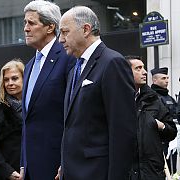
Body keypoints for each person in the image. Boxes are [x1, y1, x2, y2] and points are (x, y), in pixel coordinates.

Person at [57, 6, 137, 180]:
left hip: (97, 172)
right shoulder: (74, 69)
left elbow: (122, 130)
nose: (60, 40)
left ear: (86, 29)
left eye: (65, 32)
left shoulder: (112, 62)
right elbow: (75, 125)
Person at [20, 1, 74, 179]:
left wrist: (67, 162)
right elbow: (28, 121)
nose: (26, 29)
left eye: (32, 23)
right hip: (30, 168)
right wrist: (23, 163)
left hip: (57, 166)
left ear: (51, 26)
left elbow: (73, 117)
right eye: (25, 23)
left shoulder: (68, 58)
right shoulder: (28, 66)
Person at [126, 56, 177, 180]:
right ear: (125, 72)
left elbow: (171, 131)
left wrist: (162, 126)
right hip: (126, 171)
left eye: (143, 68)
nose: (144, 72)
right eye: (138, 68)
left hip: (151, 172)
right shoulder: (114, 100)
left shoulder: (154, 99)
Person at [0, 59, 24, 180]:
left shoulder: (35, 104)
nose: (10, 83)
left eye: (15, 78)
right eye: (6, 80)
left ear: (25, 78)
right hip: (8, 173)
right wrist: (7, 171)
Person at [151, 67, 179, 173]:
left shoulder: (169, 98)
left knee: (172, 169)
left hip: (171, 138)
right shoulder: (152, 97)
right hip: (159, 140)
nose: (167, 80)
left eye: (167, 78)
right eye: (163, 78)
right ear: (154, 80)